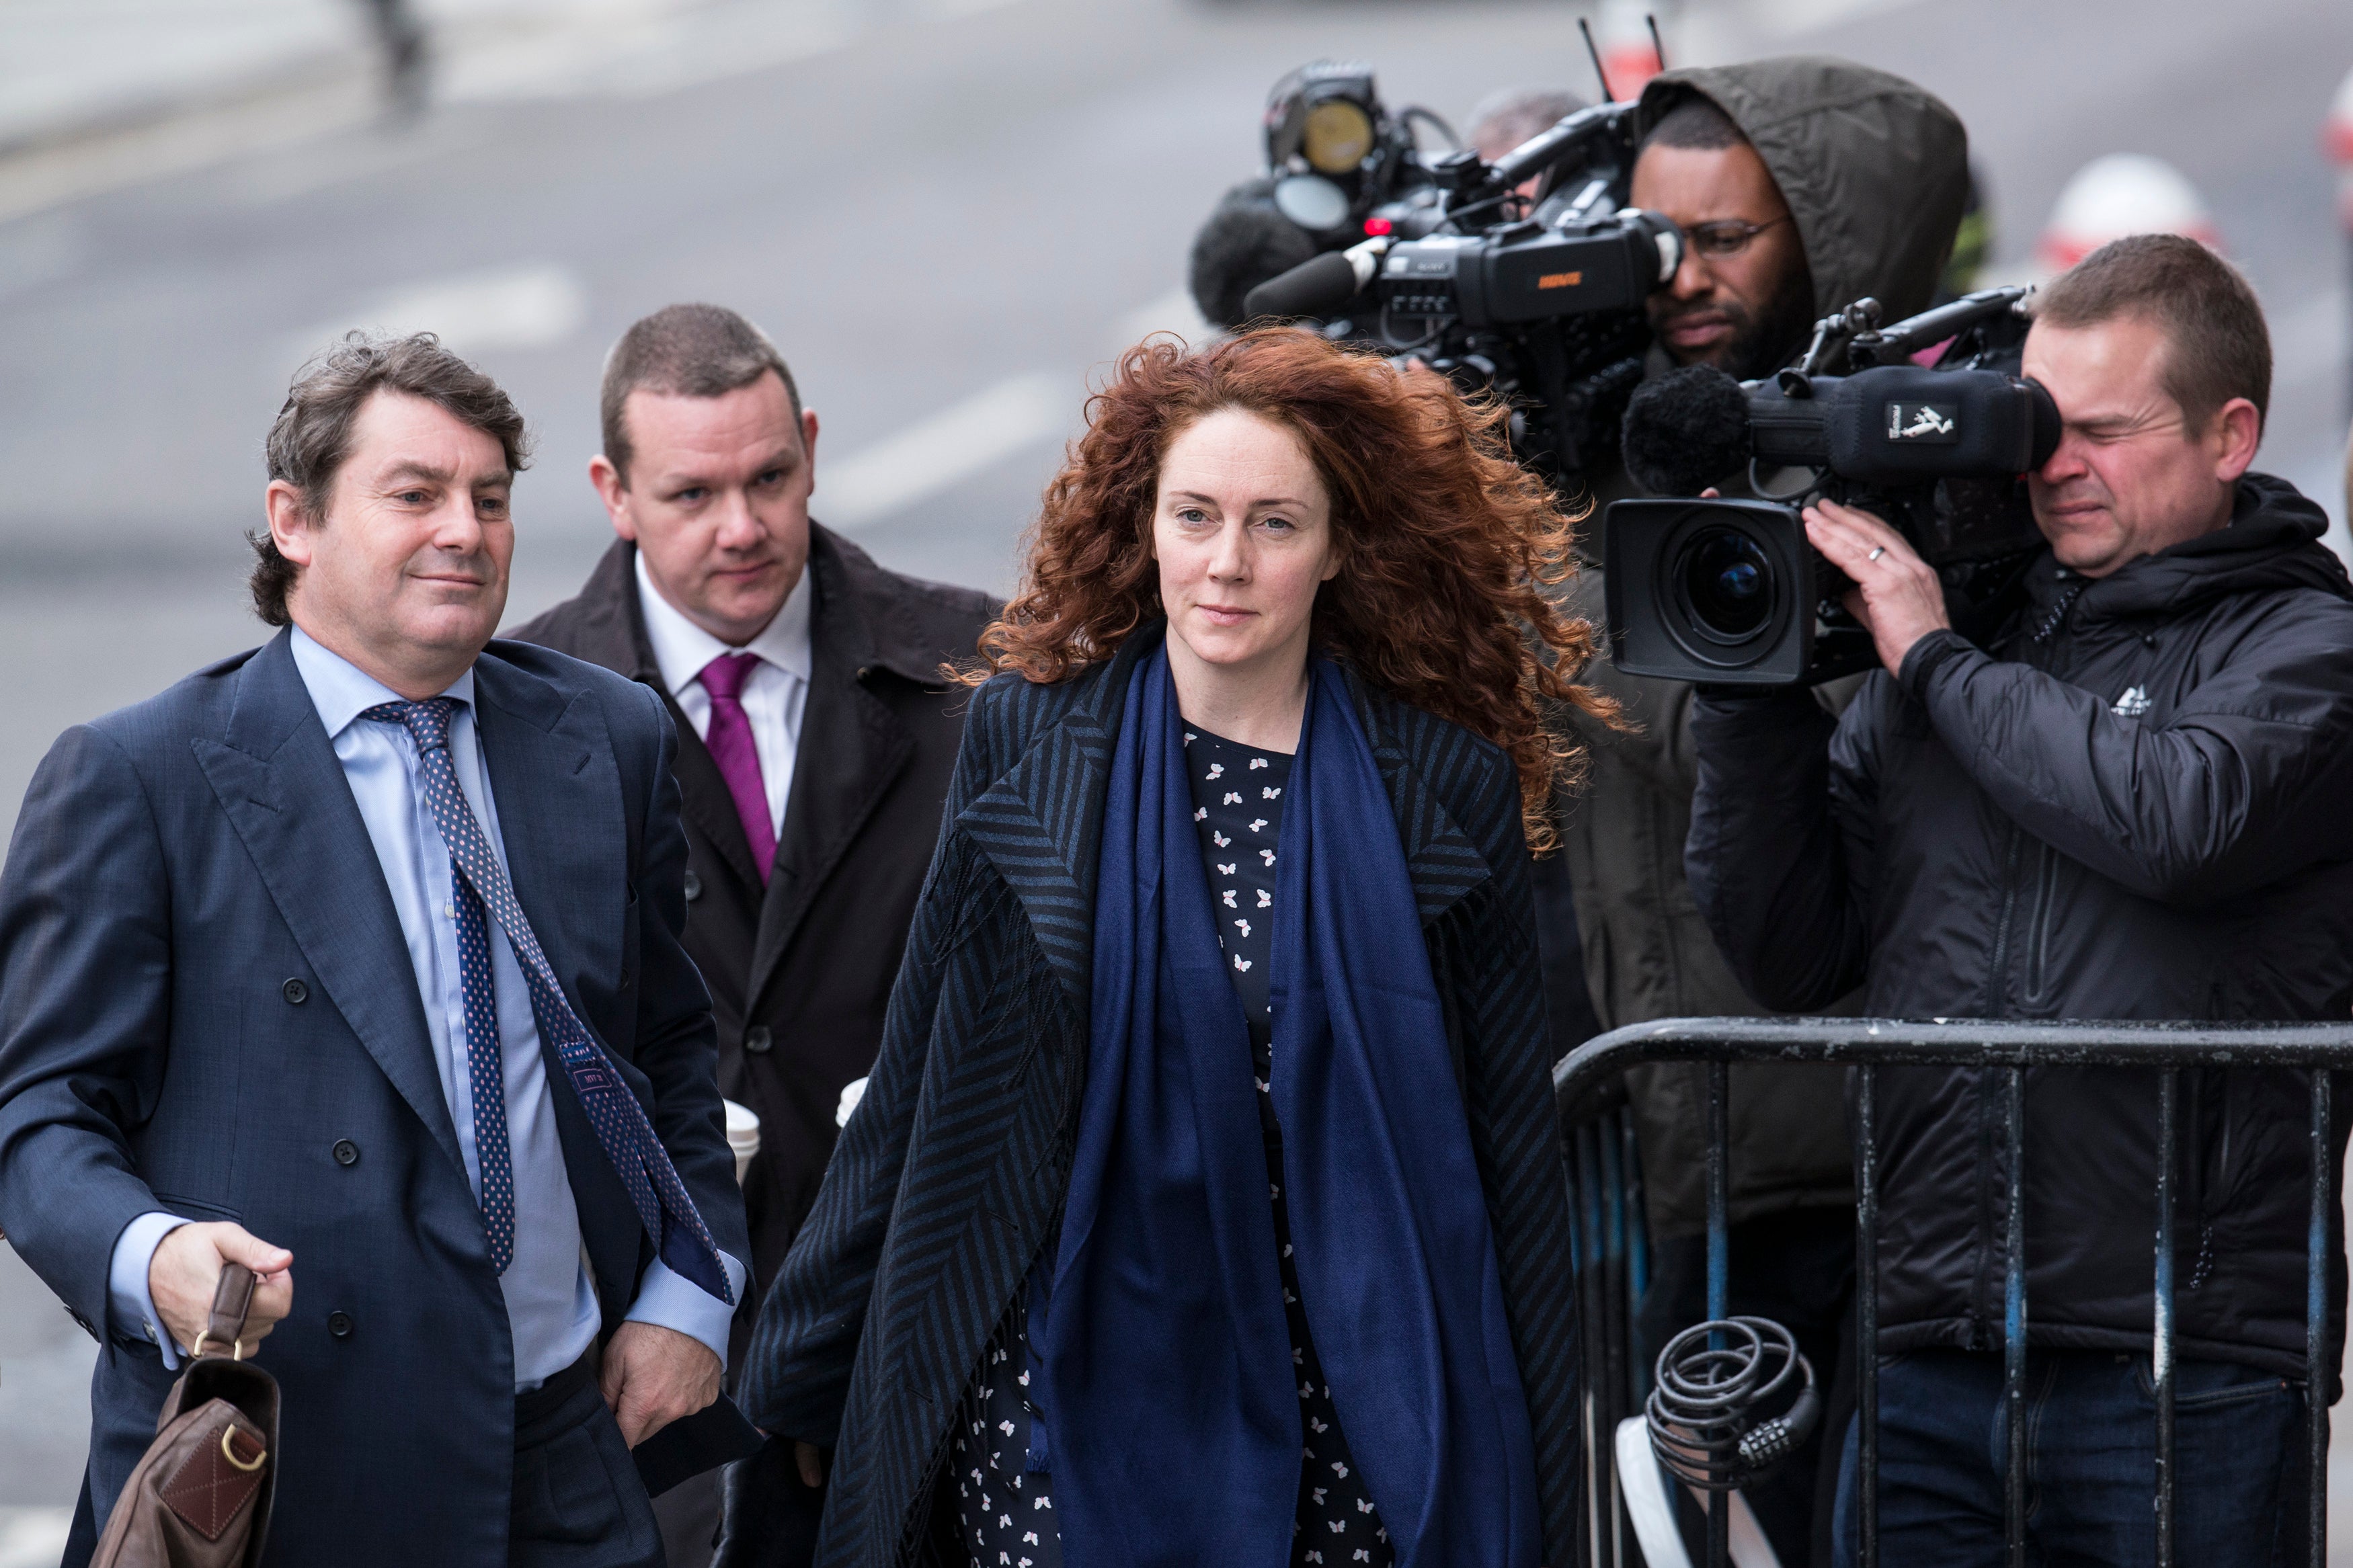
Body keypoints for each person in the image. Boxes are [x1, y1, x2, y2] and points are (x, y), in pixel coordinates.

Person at [734, 327, 1606, 1567]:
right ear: (1145, 525)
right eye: (1195, 515)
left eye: (1275, 524)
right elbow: (924, 1076)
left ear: (1338, 546)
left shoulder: (1441, 782)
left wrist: (1542, 1482)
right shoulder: (1033, 743)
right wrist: (803, 1367)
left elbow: (1508, 1148)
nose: (1228, 564)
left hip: (1359, 1406)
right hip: (1069, 1390)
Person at [0, 333, 752, 1567]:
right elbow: (39, 1121)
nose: (464, 528)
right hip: (288, 1472)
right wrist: (157, 1259)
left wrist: (691, 1297)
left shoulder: (606, 736)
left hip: (567, 1455)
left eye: (491, 498)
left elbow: (667, 1051)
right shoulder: (140, 777)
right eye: (415, 495)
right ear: (294, 521)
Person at [1685, 235, 2353, 1564]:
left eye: (2104, 432)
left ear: (2230, 437)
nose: (2055, 466)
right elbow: (1787, 949)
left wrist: (1929, 653)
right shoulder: (1966, 646)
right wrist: (1747, 690)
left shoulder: (2307, 646)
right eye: (2043, 426)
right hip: (1930, 1341)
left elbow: (2176, 819)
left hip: (2187, 1359)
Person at [1541, 58, 1969, 1567]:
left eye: (1729, 238)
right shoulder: (1630, 427)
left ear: (1828, 244)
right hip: (1651, 1135)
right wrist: (1541, 463)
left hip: (1816, 1143)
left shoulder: (1902, 459)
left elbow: (1756, 741)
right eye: (1658, 240)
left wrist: (1552, 563)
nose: (1685, 278)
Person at [509, 302, 996, 1565]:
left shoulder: (984, 672)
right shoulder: (512, 717)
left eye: (771, 477)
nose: (743, 527)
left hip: (931, 1343)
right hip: (650, 1384)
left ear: (814, 447)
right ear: (614, 494)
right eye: (693, 493)